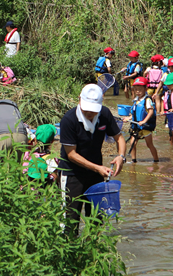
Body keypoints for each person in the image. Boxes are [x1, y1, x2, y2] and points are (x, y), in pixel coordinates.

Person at [58, 84, 125, 235]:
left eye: (93, 110)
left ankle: (91, 253)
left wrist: (121, 157)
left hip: (96, 174)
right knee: (69, 221)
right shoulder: (69, 120)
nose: (89, 113)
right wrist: (97, 168)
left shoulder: (105, 114)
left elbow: (119, 138)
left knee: (96, 220)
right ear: (79, 100)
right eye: (86, 108)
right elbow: (71, 154)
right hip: (72, 174)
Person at [124, 77, 159, 163]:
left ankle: (156, 160)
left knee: (149, 144)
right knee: (132, 143)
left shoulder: (147, 100)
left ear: (145, 89)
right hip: (136, 127)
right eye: (136, 90)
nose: (138, 91)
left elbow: (150, 112)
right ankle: (133, 161)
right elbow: (134, 114)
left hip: (145, 127)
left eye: (140, 89)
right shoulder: (135, 101)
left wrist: (144, 121)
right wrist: (128, 118)